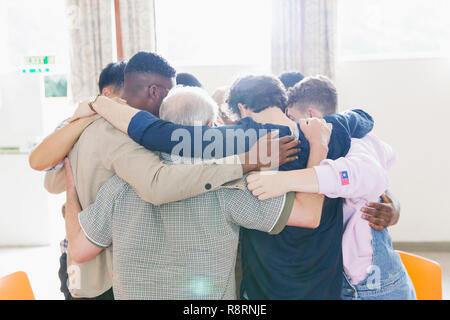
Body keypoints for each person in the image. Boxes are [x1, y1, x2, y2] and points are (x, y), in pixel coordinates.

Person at [61, 74, 374, 300]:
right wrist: (318, 148)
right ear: (213, 127)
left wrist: (70, 192)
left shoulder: (120, 185)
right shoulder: (228, 185)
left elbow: (79, 249)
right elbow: (308, 215)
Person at [30, 52, 297, 300]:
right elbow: (157, 185)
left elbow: (50, 179)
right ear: (155, 91)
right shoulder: (126, 138)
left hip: (81, 263)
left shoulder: (86, 125)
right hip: (104, 274)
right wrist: (244, 163)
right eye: (170, 91)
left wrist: (72, 193)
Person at [249, 75, 415, 300]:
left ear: (311, 116)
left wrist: (284, 182)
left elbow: (372, 174)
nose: (290, 127)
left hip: (371, 286)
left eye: (291, 118)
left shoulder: (356, 143)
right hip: (339, 282)